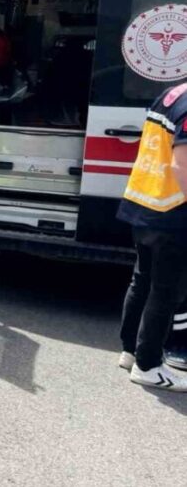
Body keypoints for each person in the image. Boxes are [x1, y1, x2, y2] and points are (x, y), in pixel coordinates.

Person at [117, 82, 187, 390]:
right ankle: (148, 365)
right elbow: (182, 164)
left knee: (142, 279)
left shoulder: (174, 93)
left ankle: (130, 351)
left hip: (145, 201)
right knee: (165, 289)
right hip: (171, 209)